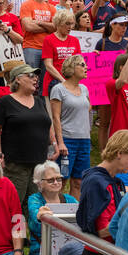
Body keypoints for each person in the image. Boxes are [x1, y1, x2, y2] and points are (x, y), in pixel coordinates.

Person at [0, 63, 53, 210]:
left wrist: (54, 144)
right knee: (13, 206)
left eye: (36, 76)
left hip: (39, 165)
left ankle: (32, 233)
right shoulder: (5, 102)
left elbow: (48, 124)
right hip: (15, 164)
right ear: (17, 79)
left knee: (35, 208)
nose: (35, 79)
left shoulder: (39, 101)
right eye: (30, 76)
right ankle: (13, 233)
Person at [50, 54, 93, 187]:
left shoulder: (84, 89)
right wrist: (60, 142)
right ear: (72, 68)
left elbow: (88, 109)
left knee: (79, 181)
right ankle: (56, 207)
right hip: (68, 140)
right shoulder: (58, 89)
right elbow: (55, 117)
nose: (86, 67)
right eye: (82, 65)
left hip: (84, 140)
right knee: (61, 180)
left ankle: (75, 207)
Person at [26, 160, 77, 255]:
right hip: (42, 250)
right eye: (50, 180)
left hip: (69, 249)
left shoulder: (70, 199)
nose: (56, 182)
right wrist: (40, 214)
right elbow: (35, 214)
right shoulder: (34, 199)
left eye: (58, 179)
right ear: (39, 183)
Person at [18, 0, 57, 71]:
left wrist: (39, 22)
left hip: (48, 49)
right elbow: (29, 27)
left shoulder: (51, 8)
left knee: (44, 82)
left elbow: (55, 27)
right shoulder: (26, 5)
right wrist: (48, 27)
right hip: (31, 48)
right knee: (31, 79)